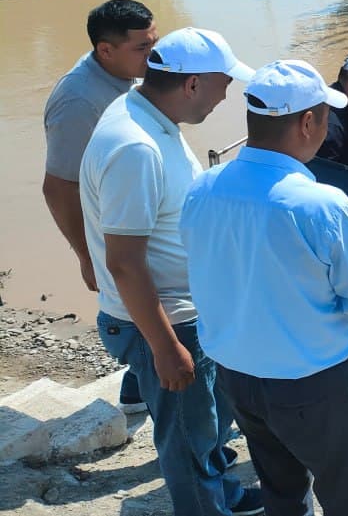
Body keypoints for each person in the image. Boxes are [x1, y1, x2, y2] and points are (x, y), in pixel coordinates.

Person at [182, 59, 348, 516]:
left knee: (281, 494)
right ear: (308, 121)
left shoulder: (202, 188)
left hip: (239, 378)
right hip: (315, 384)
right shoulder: (321, 204)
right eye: (325, 117)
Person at [80, 27, 262, 516]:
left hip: (190, 310)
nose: (227, 96)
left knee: (210, 427)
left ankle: (222, 494)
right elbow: (123, 261)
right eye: (224, 84)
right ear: (192, 84)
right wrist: (165, 348)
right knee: (188, 440)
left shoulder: (149, 117)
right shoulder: (135, 147)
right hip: (167, 323)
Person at [43, 0, 158, 415]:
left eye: (154, 42)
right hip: (111, 228)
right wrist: (86, 256)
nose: (154, 55)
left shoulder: (122, 70)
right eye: (143, 48)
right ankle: (144, 390)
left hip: (131, 204)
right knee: (140, 300)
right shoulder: (78, 101)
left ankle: (138, 389)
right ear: (105, 50)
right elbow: (57, 187)